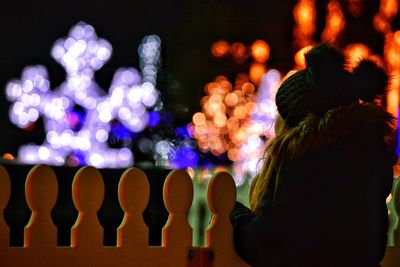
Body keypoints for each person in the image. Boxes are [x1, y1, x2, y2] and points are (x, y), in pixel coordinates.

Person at [230, 43, 397, 267]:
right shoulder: (372, 155)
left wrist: (232, 212)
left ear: (296, 122)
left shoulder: (300, 157)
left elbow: (264, 241)